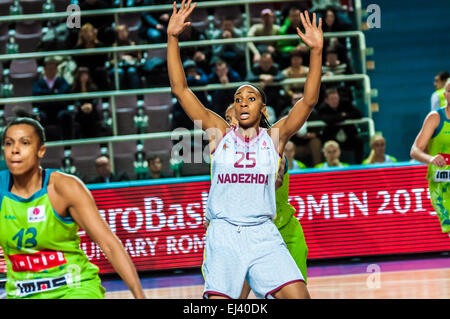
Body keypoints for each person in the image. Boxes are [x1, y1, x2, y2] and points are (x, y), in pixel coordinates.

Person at [167, 0, 323, 299]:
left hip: (264, 233)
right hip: (224, 233)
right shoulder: (219, 133)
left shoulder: (274, 137)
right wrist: (173, 38)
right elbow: (181, 90)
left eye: (250, 98)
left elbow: (308, 101)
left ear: (262, 108)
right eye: (238, 98)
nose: (242, 102)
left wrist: (315, 52)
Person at [0, 117, 145, 299]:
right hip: (21, 293)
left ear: (41, 151)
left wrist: (139, 296)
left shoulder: (65, 188)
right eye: (8, 143)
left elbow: (109, 244)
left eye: (25, 143)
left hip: (74, 287)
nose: (15, 150)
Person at [411, 78, 450, 235]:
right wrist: (430, 158)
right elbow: (415, 150)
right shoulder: (435, 117)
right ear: (444, 94)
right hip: (442, 179)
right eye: (448, 91)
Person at [317, 88, 364, 164]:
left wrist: (337, 117)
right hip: (332, 137)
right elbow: (326, 119)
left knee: (359, 141)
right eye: (332, 99)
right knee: (327, 145)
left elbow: (358, 115)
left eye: (336, 98)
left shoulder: (345, 103)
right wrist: (342, 116)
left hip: (348, 135)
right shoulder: (322, 108)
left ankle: (359, 165)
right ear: (326, 100)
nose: (335, 101)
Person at [32, 57, 72, 141]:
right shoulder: (39, 83)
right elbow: (36, 93)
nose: (51, 70)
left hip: (59, 109)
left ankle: (67, 144)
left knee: (65, 115)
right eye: (49, 68)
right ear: (44, 69)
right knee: (39, 116)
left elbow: (65, 92)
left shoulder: (61, 81)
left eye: (53, 68)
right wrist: (54, 92)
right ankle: (41, 142)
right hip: (44, 110)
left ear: (57, 69)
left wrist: (47, 94)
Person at [246, 51, 285, 116]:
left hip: (273, 96)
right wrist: (260, 77)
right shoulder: (256, 68)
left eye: (268, 62)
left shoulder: (275, 68)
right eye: (264, 62)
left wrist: (272, 78)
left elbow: (282, 76)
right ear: (260, 62)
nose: (266, 64)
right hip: (259, 96)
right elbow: (248, 78)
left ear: (272, 62)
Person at [71, 67, 101, 138]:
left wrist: (91, 106)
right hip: (80, 110)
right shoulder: (75, 88)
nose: (84, 77)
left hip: (91, 109)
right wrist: (81, 107)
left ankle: (94, 138)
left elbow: (95, 100)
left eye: (85, 75)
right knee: (80, 117)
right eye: (82, 75)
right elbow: (75, 101)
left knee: (92, 115)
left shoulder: (93, 87)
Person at [109, 24, 142, 90]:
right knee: (119, 72)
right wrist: (119, 59)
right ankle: (114, 93)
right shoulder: (114, 46)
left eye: (124, 31)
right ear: (117, 34)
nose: (122, 34)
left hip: (131, 66)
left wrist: (131, 58)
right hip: (117, 66)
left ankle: (137, 95)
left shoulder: (133, 44)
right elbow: (110, 61)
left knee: (131, 71)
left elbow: (139, 59)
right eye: (120, 32)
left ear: (127, 32)